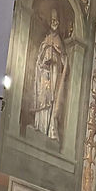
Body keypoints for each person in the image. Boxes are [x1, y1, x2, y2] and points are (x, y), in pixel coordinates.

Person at [31, 9, 69, 140]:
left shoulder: (58, 40)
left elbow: (63, 60)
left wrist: (55, 58)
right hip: (44, 74)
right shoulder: (46, 39)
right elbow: (40, 58)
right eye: (53, 20)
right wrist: (44, 58)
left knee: (52, 98)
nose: (55, 23)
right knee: (43, 98)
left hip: (54, 74)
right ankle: (40, 125)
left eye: (57, 21)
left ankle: (50, 129)